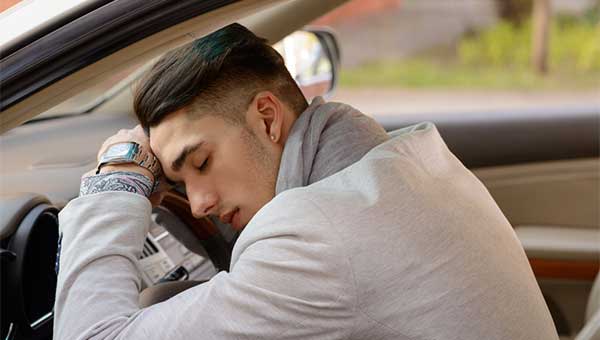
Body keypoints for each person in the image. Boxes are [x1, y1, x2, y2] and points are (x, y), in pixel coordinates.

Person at [53, 23, 558, 340]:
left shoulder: (318, 237)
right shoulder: (408, 163)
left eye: (201, 162)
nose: (200, 205)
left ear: (268, 119)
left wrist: (118, 179)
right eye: (179, 181)